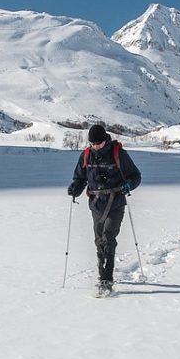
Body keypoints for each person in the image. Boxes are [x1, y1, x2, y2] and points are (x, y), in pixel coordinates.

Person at [67, 124, 142, 296]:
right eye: (92, 144)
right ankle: (103, 272)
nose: (95, 147)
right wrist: (75, 188)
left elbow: (136, 176)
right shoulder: (86, 155)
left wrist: (128, 185)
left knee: (108, 239)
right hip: (96, 204)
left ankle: (105, 280)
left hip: (115, 203)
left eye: (98, 143)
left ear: (104, 140)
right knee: (99, 241)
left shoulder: (118, 154)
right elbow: (79, 177)